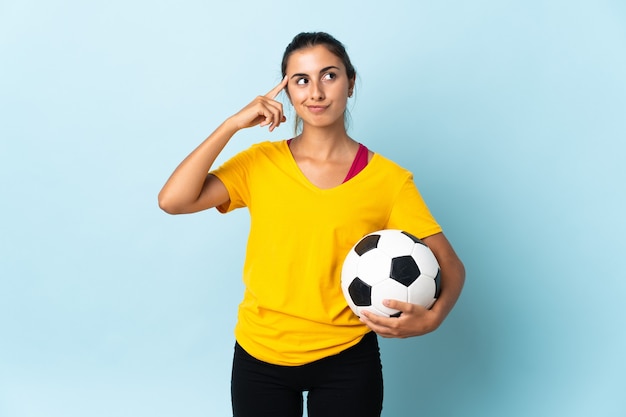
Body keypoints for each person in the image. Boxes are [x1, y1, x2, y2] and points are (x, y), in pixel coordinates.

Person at [158, 32, 465, 417]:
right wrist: (231, 125)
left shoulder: (388, 180)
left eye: (329, 75)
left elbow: (451, 266)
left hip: (347, 360)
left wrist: (432, 320)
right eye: (301, 80)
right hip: (260, 355)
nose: (315, 92)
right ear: (287, 92)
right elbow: (173, 200)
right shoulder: (259, 164)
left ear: (350, 83)